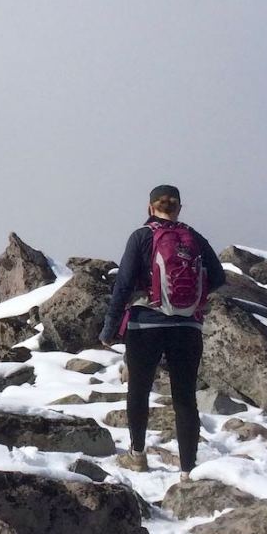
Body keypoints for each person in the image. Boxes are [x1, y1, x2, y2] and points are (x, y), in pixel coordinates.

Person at [99, 184, 226, 476]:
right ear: (179, 208)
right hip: (188, 327)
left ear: (149, 207)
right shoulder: (193, 238)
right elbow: (218, 277)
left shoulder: (141, 236)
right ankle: (187, 471)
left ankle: (138, 454)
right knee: (184, 397)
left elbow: (124, 284)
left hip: (145, 325)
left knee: (139, 390)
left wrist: (109, 329)